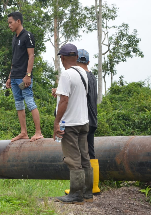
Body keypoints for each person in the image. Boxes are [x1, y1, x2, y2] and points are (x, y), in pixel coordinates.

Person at [56, 49, 101, 196]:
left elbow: (65, 100)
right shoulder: (87, 75)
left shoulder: (68, 74)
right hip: (86, 120)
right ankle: (89, 191)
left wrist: (57, 122)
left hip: (72, 121)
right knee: (86, 157)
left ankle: (76, 193)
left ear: (62, 58)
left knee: (73, 158)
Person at [5, 12, 43, 142]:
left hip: (23, 77)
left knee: (30, 102)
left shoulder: (27, 36)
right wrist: (10, 77)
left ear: (18, 22)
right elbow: (14, 58)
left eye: (11, 22)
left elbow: (31, 56)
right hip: (14, 76)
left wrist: (28, 75)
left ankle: (38, 132)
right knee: (18, 104)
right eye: (8, 23)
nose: (9, 25)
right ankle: (24, 132)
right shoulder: (14, 38)